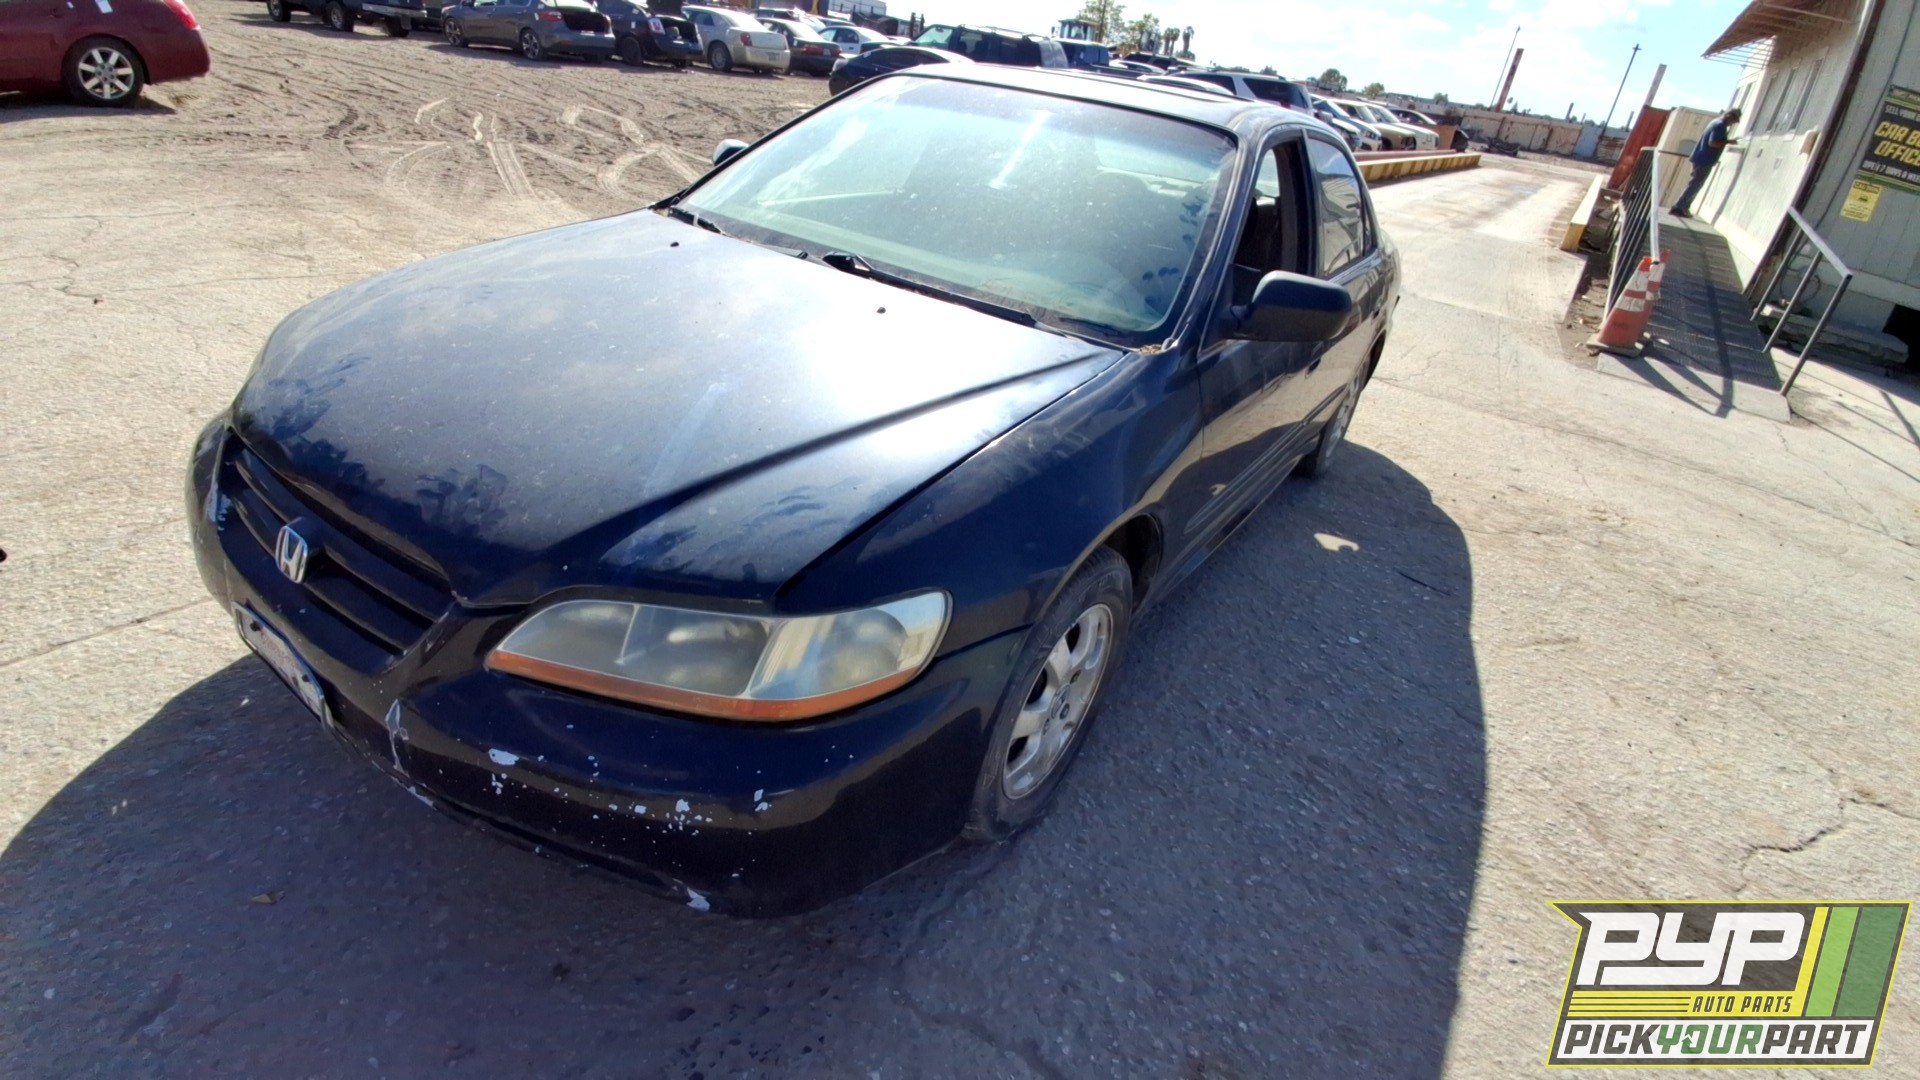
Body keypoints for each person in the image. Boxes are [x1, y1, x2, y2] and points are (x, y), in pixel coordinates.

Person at [1671, 107, 1740, 218]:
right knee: (1695, 184)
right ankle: (1678, 207)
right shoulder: (1720, 125)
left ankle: (1684, 207)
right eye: (1734, 121)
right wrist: (1728, 141)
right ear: (1729, 116)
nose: (1732, 124)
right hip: (1704, 159)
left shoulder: (1715, 122)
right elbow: (1713, 143)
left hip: (1701, 157)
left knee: (1696, 184)